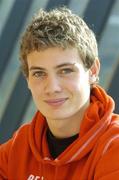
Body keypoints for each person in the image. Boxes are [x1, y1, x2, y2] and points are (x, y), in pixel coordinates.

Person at [0, 7, 119, 180]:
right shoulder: (18, 148)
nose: (52, 87)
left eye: (65, 71)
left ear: (92, 70)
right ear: (27, 80)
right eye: (39, 73)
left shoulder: (113, 146)